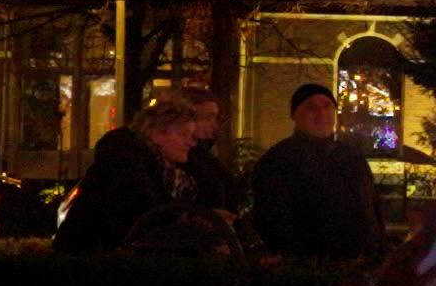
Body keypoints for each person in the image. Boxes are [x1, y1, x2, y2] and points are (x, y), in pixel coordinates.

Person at [57, 86, 222, 253]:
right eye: (183, 135)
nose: (191, 143)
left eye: (192, 136)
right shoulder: (128, 166)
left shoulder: (163, 171)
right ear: (157, 134)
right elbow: (139, 226)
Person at [249, 81, 386, 261]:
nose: (321, 114)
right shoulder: (279, 160)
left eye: (327, 106)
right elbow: (272, 218)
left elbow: (371, 205)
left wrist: (377, 247)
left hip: (361, 264)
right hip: (312, 267)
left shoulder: (352, 156)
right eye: (311, 108)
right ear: (295, 115)